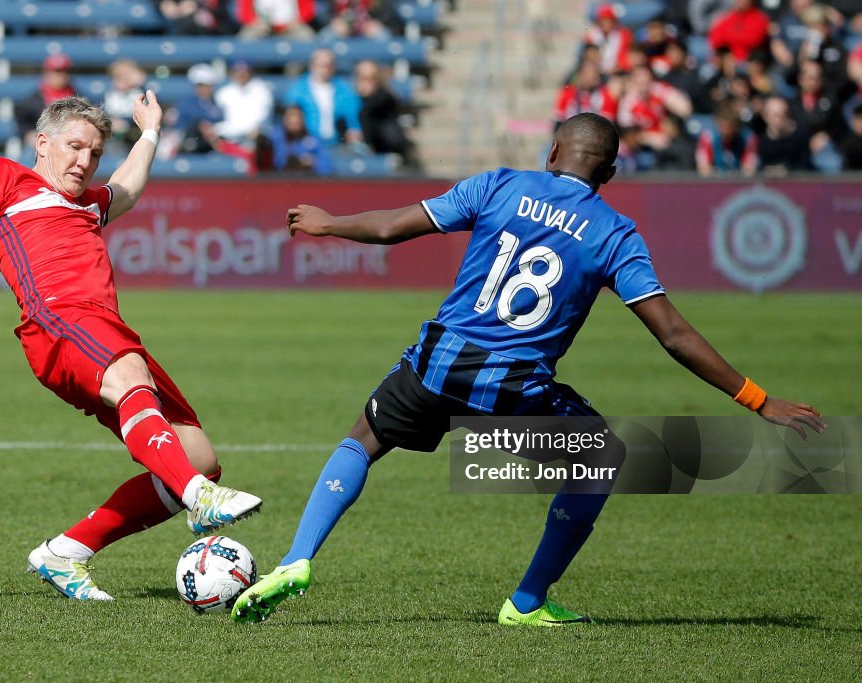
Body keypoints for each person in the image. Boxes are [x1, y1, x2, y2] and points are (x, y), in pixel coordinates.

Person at [230, 112, 824, 626]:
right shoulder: (616, 234)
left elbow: (391, 229)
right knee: (602, 458)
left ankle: (297, 558)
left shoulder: (500, 185)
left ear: (552, 153)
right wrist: (756, 397)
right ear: (609, 174)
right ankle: (528, 600)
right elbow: (672, 335)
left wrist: (327, 222)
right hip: (512, 390)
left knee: (364, 436)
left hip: (439, 364)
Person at [0, 94, 262, 602]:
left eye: (94, 153)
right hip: (57, 320)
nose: (83, 161)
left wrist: (149, 131)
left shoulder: (86, 204)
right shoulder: (5, 177)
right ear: (43, 144)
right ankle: (202, 500)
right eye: (74, 146)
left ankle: (67, 552)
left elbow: (127, 187)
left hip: (105, 330)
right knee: (140, 391)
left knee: (197, 456)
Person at [284, 49, 364, 147]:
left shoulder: (345, 91)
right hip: (305, 143)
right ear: (311, 66)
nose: (325, 70)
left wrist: (353, 133)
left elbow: (353, 120)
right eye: (321, 65)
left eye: (329, 65)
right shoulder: (297, 91)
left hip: (337, 143)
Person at [15, 54, 77, 150]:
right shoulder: (34, 100)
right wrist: (27, 134)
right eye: (57, 71)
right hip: (41, 144)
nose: (61, 75)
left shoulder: (78, 98)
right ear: (47, 73)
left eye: (65, 71)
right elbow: (22, 122)